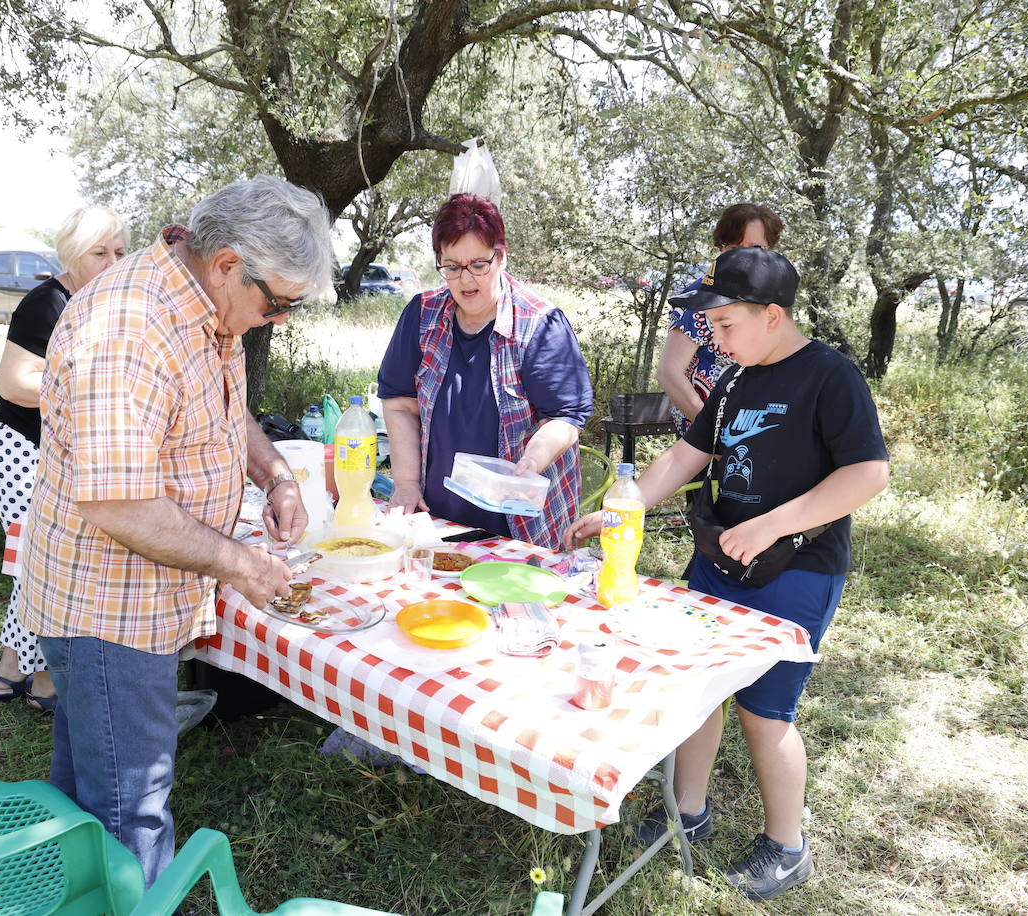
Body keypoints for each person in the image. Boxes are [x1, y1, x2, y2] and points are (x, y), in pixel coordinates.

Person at [17, 175, 334, 885]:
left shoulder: (205, 306)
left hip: (139, 601)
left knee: (86, 794)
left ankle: (78, 896)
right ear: (226, 264)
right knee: (133, 810)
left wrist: (275, 473)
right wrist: (240, 565)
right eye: (276, 302)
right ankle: (130, 898)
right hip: (105, 609)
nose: (277, 319)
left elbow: (222, 413)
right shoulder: (131, 327)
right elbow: (119, 505)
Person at [566, 247, 889, 901]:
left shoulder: (829, 376)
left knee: (764, 712)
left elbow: (868, 474)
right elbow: (684, 457)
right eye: (709, 327)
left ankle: (787, 848)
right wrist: (616, 510)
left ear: (773, 316)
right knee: (696, 687)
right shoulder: (738, 380)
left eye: (725, 325)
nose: (714, 339)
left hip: (797, 569)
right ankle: (689, 811)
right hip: (718, 562)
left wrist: (774, 524)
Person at [377, 194, 592, 551]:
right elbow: (399, 403)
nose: (466, 280)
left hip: (522, 527)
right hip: (439, 519)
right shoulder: (422, 315)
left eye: (479, 264)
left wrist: (532, 461)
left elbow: (565, 419)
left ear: (501, 257)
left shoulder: (540, 324)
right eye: (452, 266)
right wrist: (406, 482)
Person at [0, 205, 129, 713]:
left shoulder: (103, 302)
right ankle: (44, 682)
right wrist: (85, 389)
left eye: (119, 251)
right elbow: (14, 382)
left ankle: (7, 673)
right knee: (44, 564)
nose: (112, 262)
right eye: (99, 252)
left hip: (59, 453)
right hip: (18, 447)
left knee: (36, 562)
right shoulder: (49, 300)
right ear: (72, 253)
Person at [656, 203, 783, 436]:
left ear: (770, 251)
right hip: (709, 435)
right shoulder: (698, 300)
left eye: (756, 247)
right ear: (721, 248)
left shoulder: (769, 301)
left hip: (758, 431)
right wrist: (714, 434)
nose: (744, 256)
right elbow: (668, 373)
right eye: (734, 246)